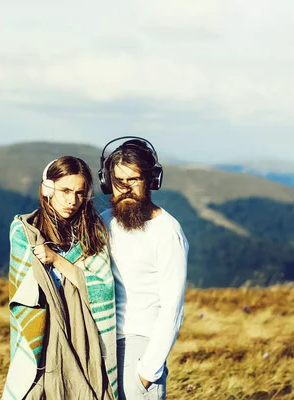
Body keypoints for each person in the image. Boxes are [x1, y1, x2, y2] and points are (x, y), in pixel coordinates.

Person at [2, 156, 118, 400]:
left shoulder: (93, 231)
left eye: (79, 193)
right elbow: (25, 293)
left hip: (83, 332)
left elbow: (101, 289)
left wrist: (56, 260)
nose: (71, 200)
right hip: (43, 331)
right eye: (65, 190)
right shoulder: (25, 231)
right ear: (47, 188)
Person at [98, 137, 189, 400]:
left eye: (133, 180)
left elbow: (173, 308)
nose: (125, 189)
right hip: (103, 346)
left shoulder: (167, 233)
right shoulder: (104, 223)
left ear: (151, 181)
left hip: (139, 352)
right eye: (118, 181)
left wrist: (146, 373)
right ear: (107, 182)